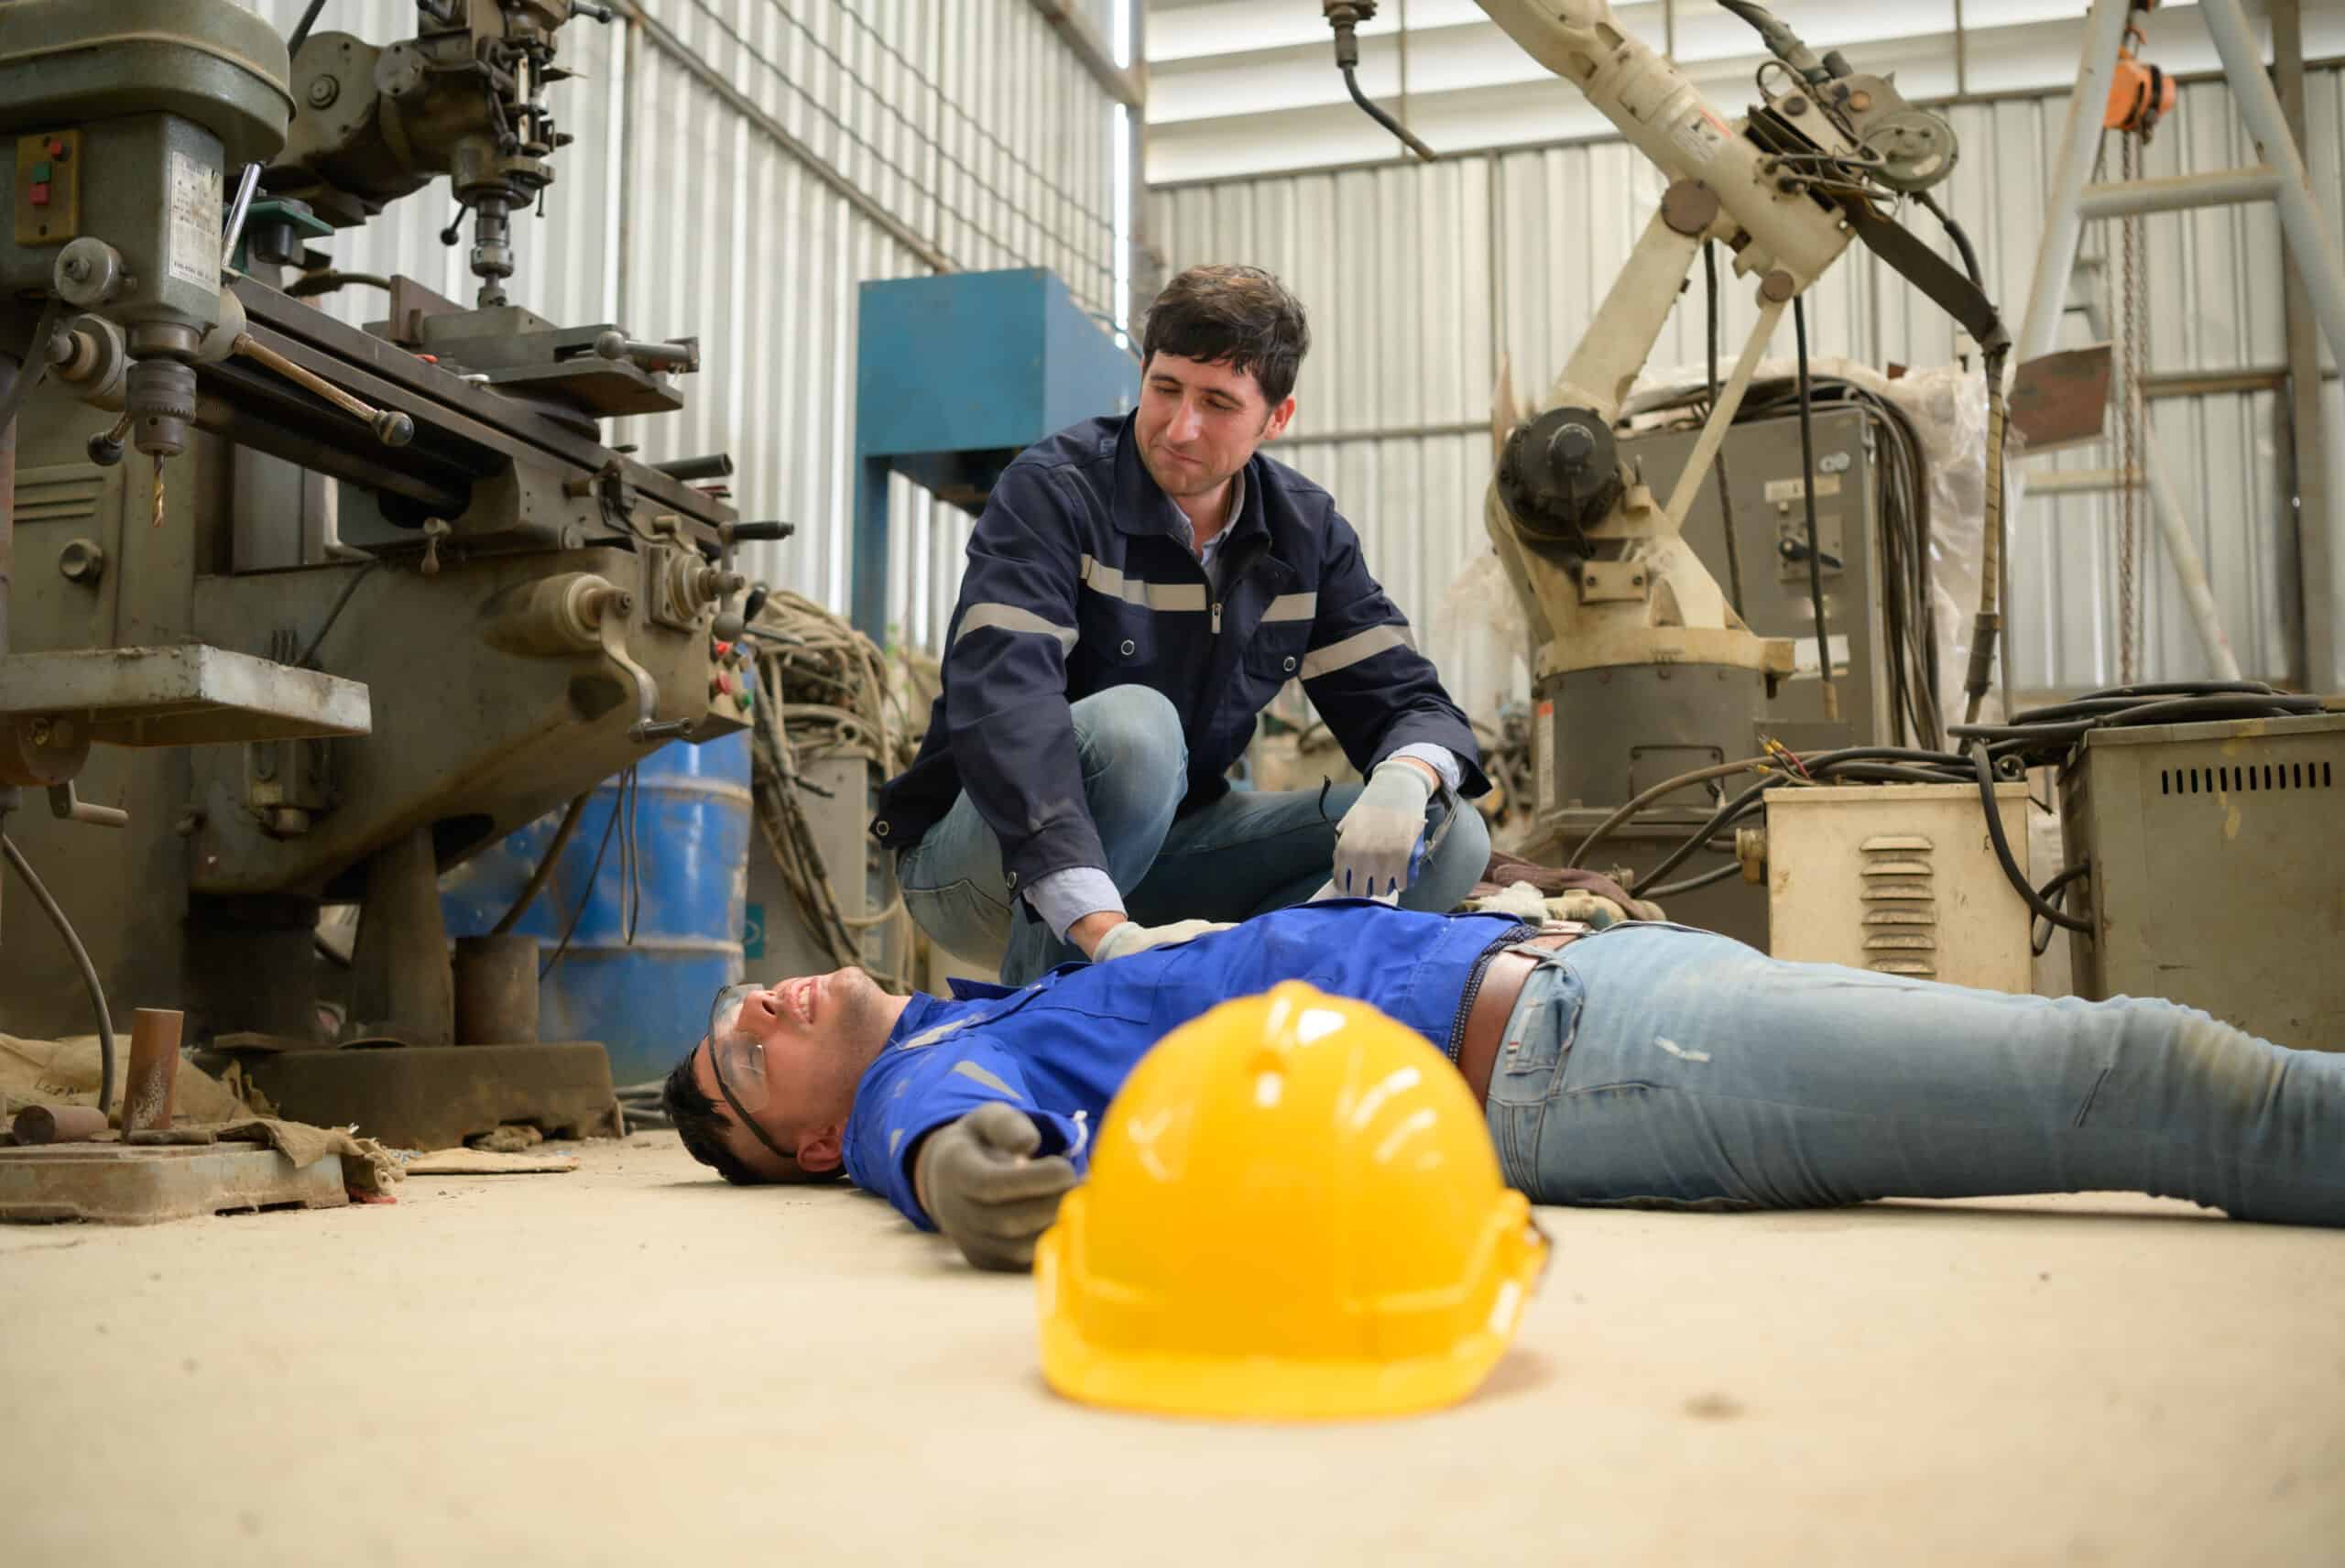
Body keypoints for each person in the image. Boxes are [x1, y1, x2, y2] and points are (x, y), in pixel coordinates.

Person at [661, 904, 2345, 1269]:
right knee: (2140, 1071)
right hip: (1593, 1059)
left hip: (1606, 982)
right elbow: (947, 1142)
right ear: (805, 1142)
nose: (766, 999)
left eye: (742, 997)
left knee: (2121, 1063)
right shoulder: (924, 1076)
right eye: (749, 1048)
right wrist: (961, 1176)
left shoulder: (993, 1002)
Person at [870, 264, 1490, 986]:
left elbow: (1410, 701)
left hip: (1168, 851)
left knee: (1450, 837)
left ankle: (1239, 1013)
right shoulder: (1054, 493)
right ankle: (1056, 1022)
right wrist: (1103, 932)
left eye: (1218, 402)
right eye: (1166, 388)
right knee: (1137, 734)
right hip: (987, 855)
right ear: (1143, 372)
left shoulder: (1305, 536)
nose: (1180, 426)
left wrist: (1408, 777)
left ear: (1276, 419)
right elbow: (1005, 701)